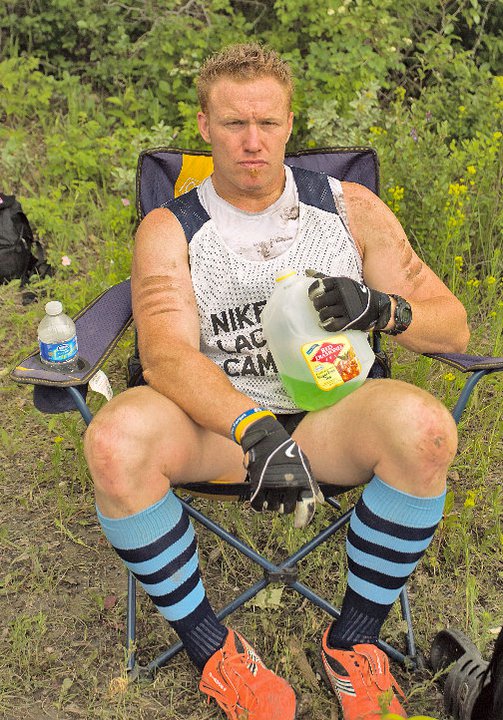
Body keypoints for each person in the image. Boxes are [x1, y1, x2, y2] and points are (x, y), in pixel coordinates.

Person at [83, 43, 470, 720]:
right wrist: (253, 430)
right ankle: (213, 651)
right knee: (115, 443)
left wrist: (384, 309)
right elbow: (168, 356)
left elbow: (451, 327)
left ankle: (352, 642)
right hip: (221, 429)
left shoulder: (350, 210)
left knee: (426, 431)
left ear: (292, 123)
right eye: (234, 124)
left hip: (332, 420)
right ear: (204, 127)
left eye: (268, 123)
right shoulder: (170, 227)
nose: (252, 142)